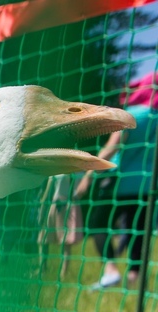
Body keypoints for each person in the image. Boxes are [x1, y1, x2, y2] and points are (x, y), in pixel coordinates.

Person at [76, 73, 158, 290]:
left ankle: (111, 270)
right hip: (147, 185)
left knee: (97, 223)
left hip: (118, 181)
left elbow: (112, 148)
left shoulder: (131, 116)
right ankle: (134, 279)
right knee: (138, 230)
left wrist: (88, 175)